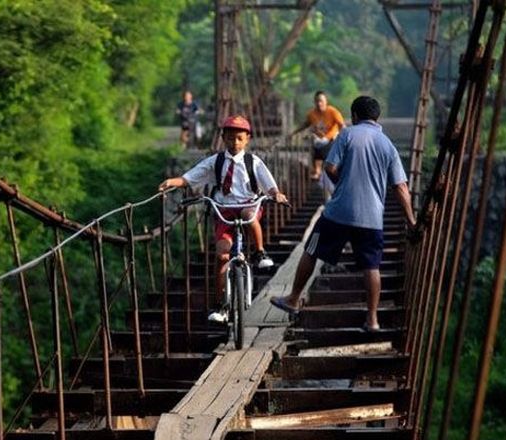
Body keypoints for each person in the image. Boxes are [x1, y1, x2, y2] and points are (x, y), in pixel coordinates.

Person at [271, 96, 415, 331]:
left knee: (311, 249)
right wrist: (411, 220)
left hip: (339, 212)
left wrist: (342, 186)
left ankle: (294, 298)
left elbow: (329, 167)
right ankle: (373, 319)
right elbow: (401, 187)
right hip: (372, 218)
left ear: (355, 116)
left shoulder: (347, 134)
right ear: (376, 117)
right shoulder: (388, 144)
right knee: (372, 266)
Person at [159, 115, 288, 323]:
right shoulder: (216, 162)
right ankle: (221, 305)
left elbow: (269, 183)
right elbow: (192, 176)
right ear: (223, 138)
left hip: (248, 204)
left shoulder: (252, 162)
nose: (234, 143)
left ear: (247, 139)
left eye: (239, 138)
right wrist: (173, 181)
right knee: (221, 255)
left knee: (249, 215)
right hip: (224, 210)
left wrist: (276, 194)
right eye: (230, 138)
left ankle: (259, 252)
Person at [289, 91, 346, 198]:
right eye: (317, 101)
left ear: (325, 101)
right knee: (313, 141)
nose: (319, 104)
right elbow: (305, 124)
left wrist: (346, 137)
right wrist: (293, 133)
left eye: (321, 101)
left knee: (329, 164)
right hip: (317, 142)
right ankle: (317, 170)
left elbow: (341, 125)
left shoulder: (332, 111)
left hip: (330, 141)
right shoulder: (312, 114)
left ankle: (331, 178)